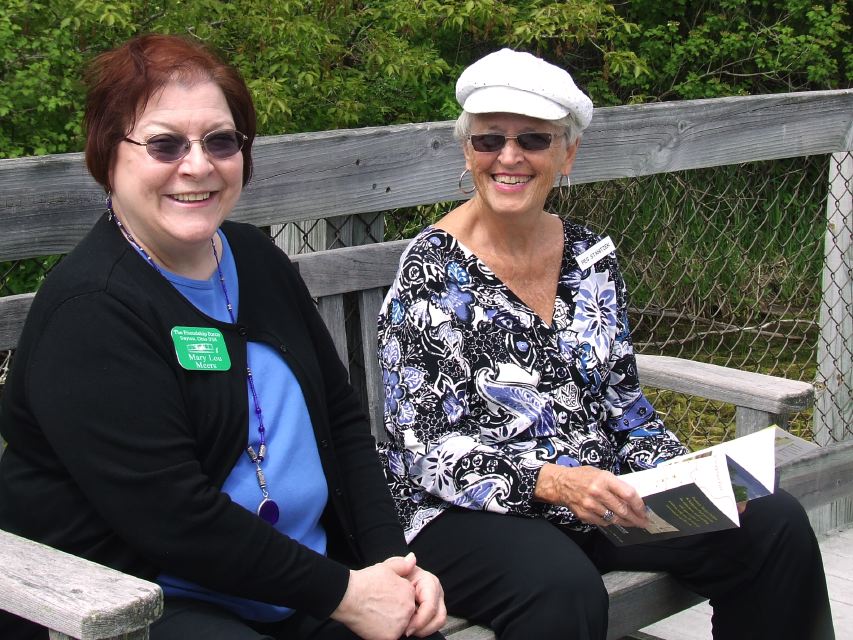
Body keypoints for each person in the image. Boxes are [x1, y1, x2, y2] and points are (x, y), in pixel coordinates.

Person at [376, 48, 834, 640]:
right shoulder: (430, 272)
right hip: (467, 511)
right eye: (489, 140)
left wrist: (695, 481)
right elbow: (424, 446)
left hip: (603, 501)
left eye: (533, 140)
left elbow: (624, 408)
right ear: (468, 153)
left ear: (567, 154)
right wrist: (553, 482)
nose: (508, 157)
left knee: (773, 523)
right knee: (562, 586)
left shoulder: (592, 256)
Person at [0, 34, 445, 640]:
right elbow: (172, 516)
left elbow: (340, 425)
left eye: (220, 140)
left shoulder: (256, 258)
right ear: (108, 155)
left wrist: (391, 570)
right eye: (164, 144)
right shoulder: (92, 309)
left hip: (301, 584)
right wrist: (346, 594)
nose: (198, 165)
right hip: (141, 603)